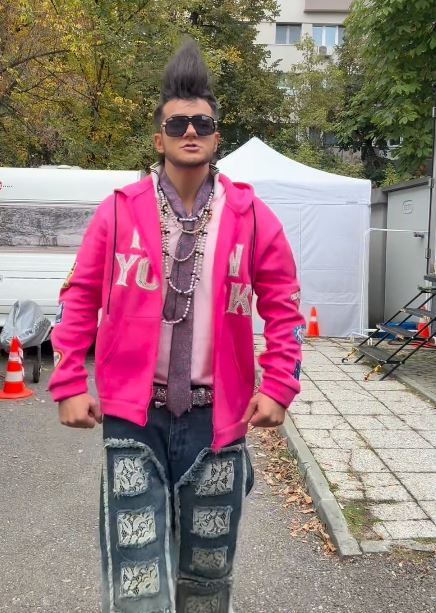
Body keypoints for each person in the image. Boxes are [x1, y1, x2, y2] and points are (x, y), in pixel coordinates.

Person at [48, 39, 305, 613]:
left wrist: (279, 384)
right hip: (134, 421)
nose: (191, 131)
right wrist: (67, 383)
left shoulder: (252, 217)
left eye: (202, 123)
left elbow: (285, 305)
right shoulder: (119, 211)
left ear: (217, 137)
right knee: (136, 583)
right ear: (159, 138)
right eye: (177, 123)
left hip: (218, 422)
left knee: (207, 582)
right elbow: (79, 296)